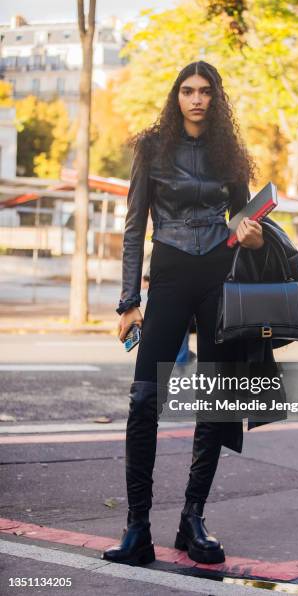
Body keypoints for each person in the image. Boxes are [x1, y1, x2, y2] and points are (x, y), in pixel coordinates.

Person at [103, 60, 264, 566]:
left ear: (217, 99)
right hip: (168, 274)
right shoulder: (152, 149)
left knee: (214, 403)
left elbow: (240, 221)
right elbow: (133, 228)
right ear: (176, 97)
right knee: (143, 401)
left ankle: (192, 519)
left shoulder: (230, 154)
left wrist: (250, 233)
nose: (196, 99)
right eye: (188, 91)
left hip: (217, 278)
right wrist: (129, 302)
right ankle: (137, 528)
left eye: (205, 91)